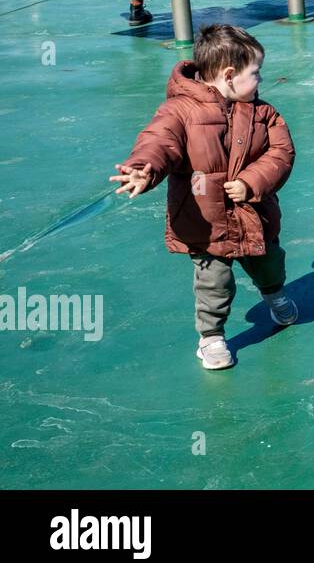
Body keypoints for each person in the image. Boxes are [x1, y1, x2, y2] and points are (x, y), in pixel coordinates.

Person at [109, 24, 297, 370]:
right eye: (255, 73)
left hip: (255, 217)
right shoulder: (180, 111)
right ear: (229, 75)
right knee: (214, 281)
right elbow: (159, 141)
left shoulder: (263, 113)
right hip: (205, 222)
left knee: (269, 261)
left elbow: (281, 154)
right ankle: (211, 337)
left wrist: (251, 182)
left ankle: (274, 293)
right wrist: (144, 168)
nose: (261, 80)